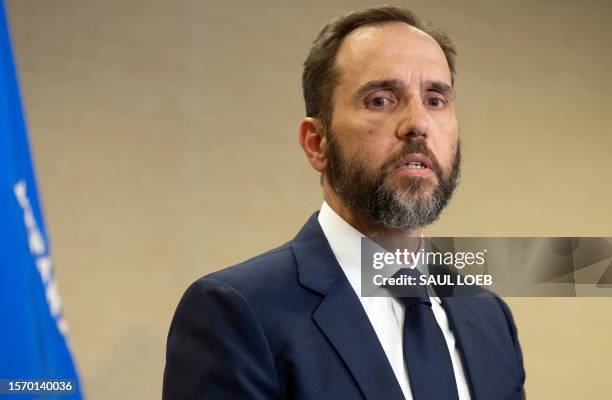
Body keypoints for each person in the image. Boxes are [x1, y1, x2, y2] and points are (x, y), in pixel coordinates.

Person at [163, 6, 526, 400]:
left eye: (435, 100)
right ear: (317, 143)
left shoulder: (489, 317)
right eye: (381, 100)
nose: (418, 124)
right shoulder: (237, 312)